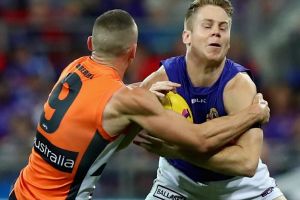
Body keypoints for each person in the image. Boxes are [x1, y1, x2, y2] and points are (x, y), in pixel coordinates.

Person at [8, 9, 270, 200]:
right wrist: (252, 114)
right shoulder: (127, 99)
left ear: (90, 44)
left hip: (21, 190)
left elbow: (111, 136)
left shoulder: (74, 68)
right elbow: (199, 140)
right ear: (133, 52)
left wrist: (139, 101)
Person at [136, 0, 287, 200]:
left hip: (241, 187)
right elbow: (128, 131)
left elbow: (247, 164)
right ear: (186, 36)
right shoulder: (162, 79)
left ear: (229, 40)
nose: (216, 32)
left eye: (223, 28)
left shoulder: (239, 86)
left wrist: (177, 151)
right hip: (178, 184)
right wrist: (141, 106)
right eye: (207, 26)